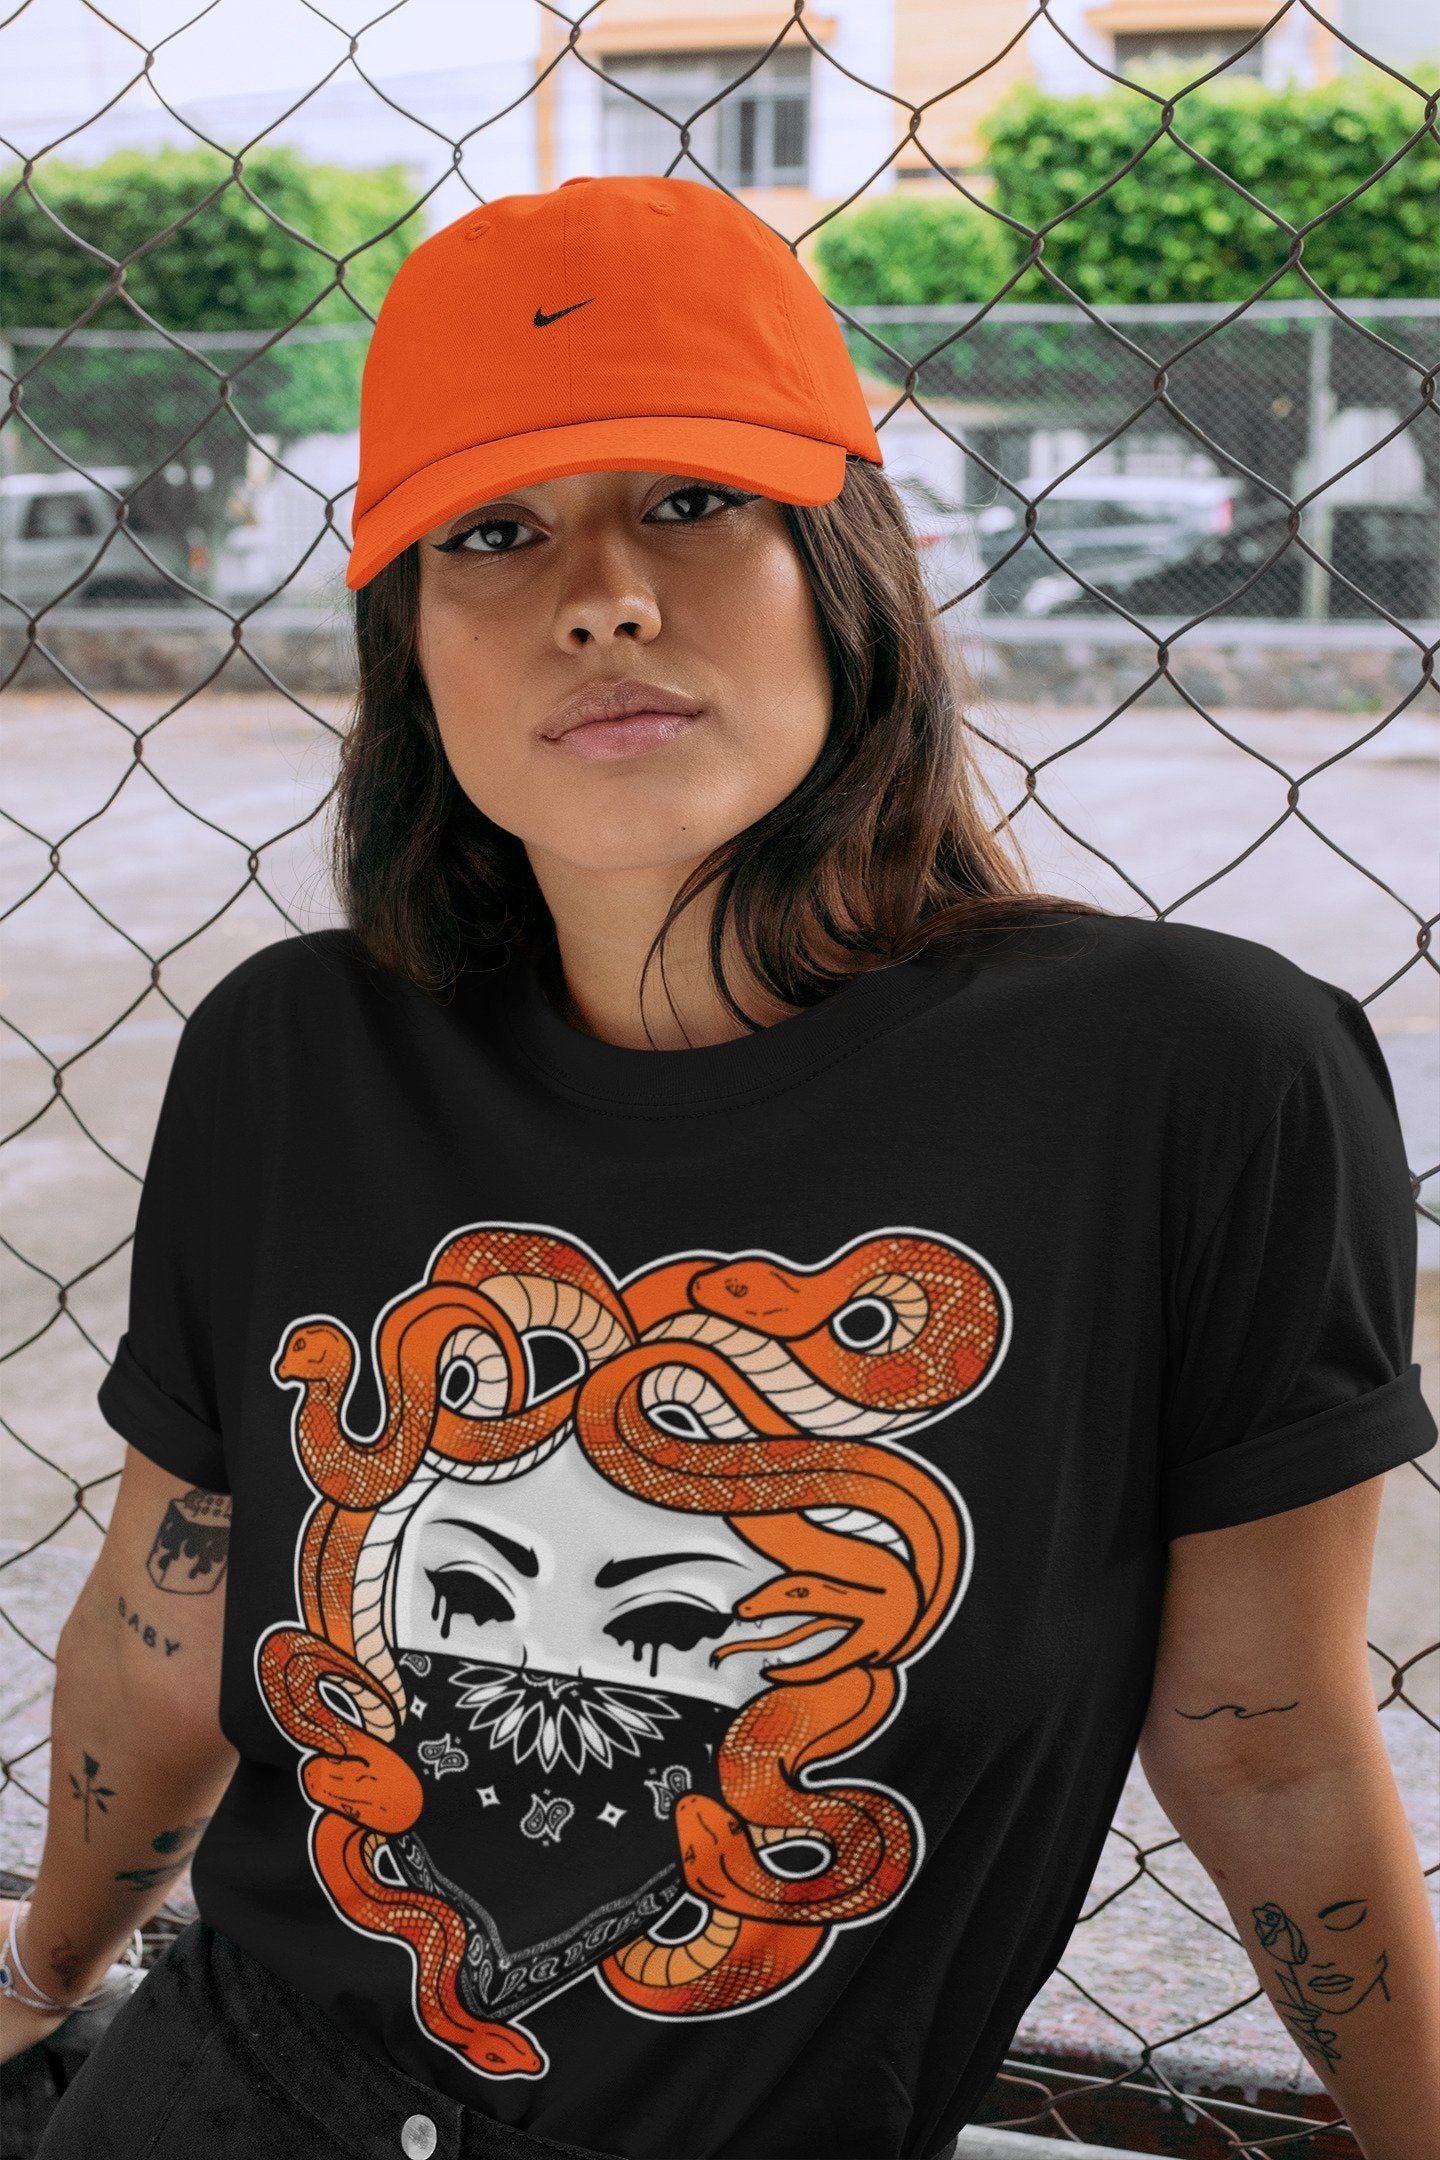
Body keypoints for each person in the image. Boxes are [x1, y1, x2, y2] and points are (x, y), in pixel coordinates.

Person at [5, 172, 1436, 2160]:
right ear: (412, 646)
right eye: (492, 531)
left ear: (848, 568)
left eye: (689, 499)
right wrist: (34, 1986)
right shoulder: (294, 1052)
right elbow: (166, 1630)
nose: (600, 595)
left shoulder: (1195, 1079)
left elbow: (1266, 1747)